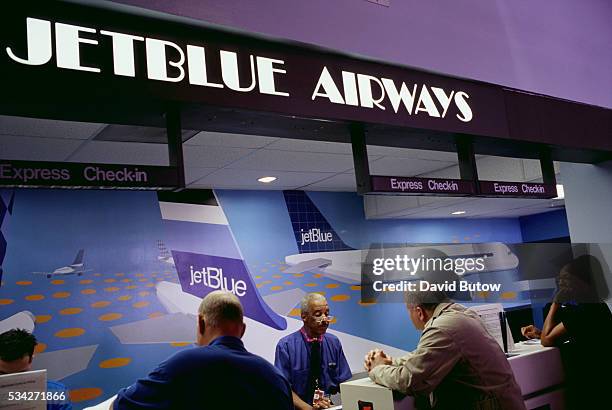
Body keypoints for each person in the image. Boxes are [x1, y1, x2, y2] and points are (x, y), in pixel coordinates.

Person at [113, 290, 293, 410]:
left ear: (200, 323)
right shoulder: (274, 377)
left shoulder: (182, 365)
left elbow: (121, 405)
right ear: (243, 330)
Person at [365, 290, 526, 410]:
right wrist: (391, 361)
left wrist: (378, 369)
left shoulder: (441, 328)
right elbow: (424, 355)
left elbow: (410, 381)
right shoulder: (462, 315)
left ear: (419, 312)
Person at [521, 255, 612, 409]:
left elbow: (547, 340)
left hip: (591, 387)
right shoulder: (596, 307)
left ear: (584, 282)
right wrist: (540, 333)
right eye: (560, 279)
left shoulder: (586, 311)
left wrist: (555, 303)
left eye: (566, 279)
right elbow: (572, 335)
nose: (561, 284)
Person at [275, 293, 352, 410]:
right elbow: (284, 389)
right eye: (318, 314)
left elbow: (344, 383)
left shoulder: (333, 342)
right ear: (304, 316)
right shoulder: (286, 346)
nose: (325, 319)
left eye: (327, 314)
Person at [0, 328, 72, 410]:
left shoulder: (57, 393)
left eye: (20, 374)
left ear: (31, 359)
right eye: (2, 374)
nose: (11, 382)